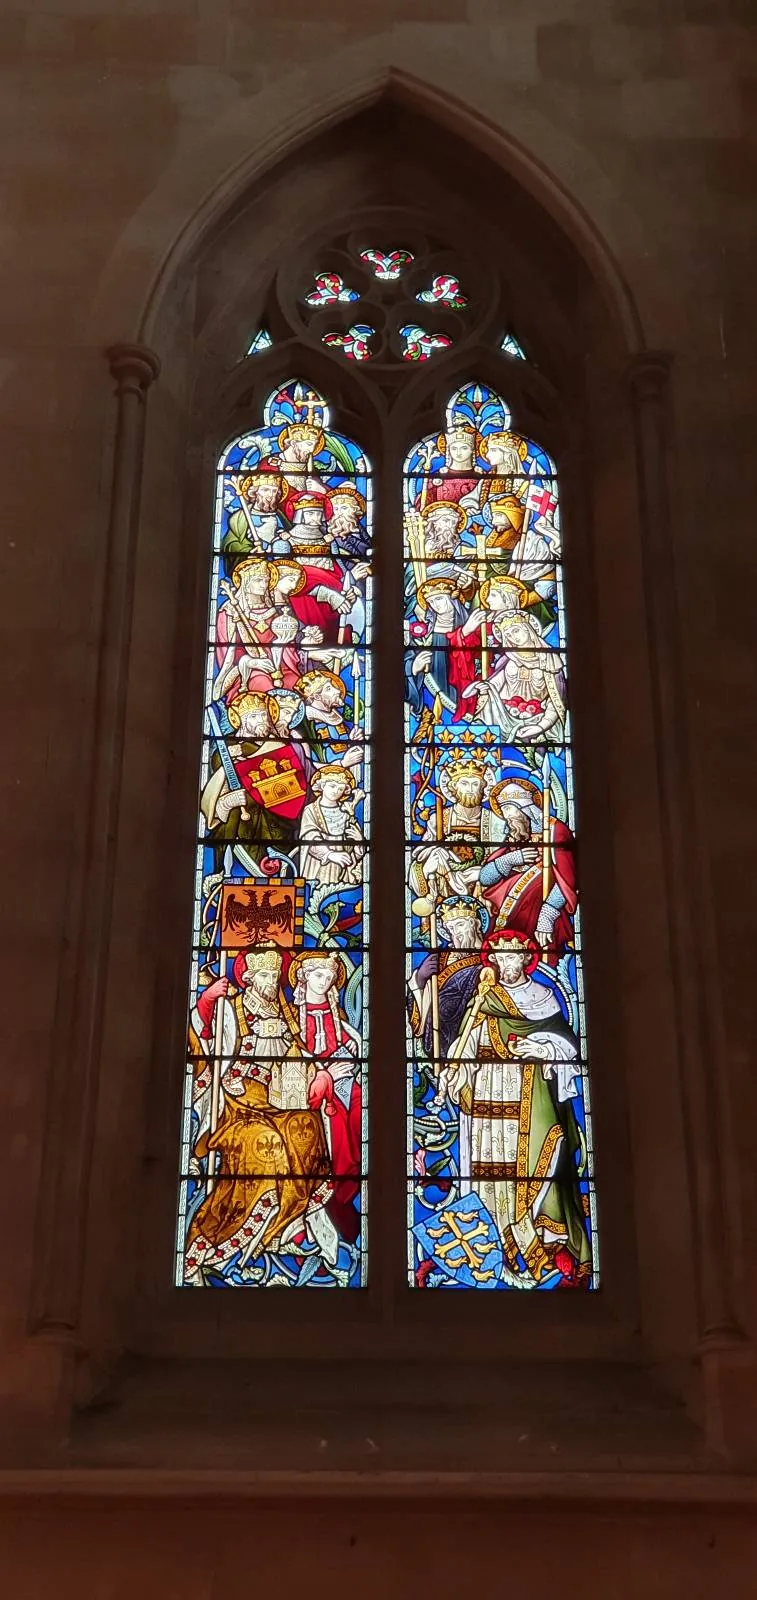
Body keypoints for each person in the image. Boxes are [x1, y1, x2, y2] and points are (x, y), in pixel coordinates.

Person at [443, 929, 590, 1286]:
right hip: (486, 1101)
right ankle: (498, 1241)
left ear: (526, 959)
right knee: (489, 1171)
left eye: (512, 957)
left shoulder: (544, 999)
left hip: (531, 1094)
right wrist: (456, 1070)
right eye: (500, 958)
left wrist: (543, 1048)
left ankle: (543, 1237)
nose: (505, 964)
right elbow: (469, 1041)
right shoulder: (485, 1000)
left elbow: (567, 1043)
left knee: (544, 1156)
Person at [183, 949, 334, 1282]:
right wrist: (207, 1000)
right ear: (248, 978)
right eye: (264, 975)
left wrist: (321, 1073)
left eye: (274, 975)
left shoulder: (286, 1012)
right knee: (267, 1148)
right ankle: (218, 1247)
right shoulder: (231, 1009)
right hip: (240, 1107)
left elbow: (302, 1050)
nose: (271, 982)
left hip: (282, 1100)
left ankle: (279, 1233)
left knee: (307, 1130)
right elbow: (202, 1036)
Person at [291, 951, 363, 1244]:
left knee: (362, 1111)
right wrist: (325, 1073)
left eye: (330, 977)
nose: (324, 982)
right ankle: (334, 1194)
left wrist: (352, 1054)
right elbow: (292, 1056)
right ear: (304, 976)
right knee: (336, 1119)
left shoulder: (336, 1014)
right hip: (308, 1087)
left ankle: (353, 1185)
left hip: (343, 1082)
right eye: (318, 975)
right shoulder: (293, 1017)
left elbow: (346, 1041)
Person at [461, 613, 567, 742]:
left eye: (516, 631)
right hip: (503, 717)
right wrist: (481, 687)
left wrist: (541, 726)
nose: (513, 637)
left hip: (537, 719)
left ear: (528, 629)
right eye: (508, 635)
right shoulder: (508, 660)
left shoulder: (550, 661)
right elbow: (494, 685)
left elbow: (556, 701)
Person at [299, 764, 364, 890]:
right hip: (318, 864)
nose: (335, 791)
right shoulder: (310, 810)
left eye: (340, 789)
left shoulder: (346, 811)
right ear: (322, 786)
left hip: (343, 866)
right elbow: (310, 836)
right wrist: (329, 854)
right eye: (332, 786)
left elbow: (358, 850)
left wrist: (359, 841)